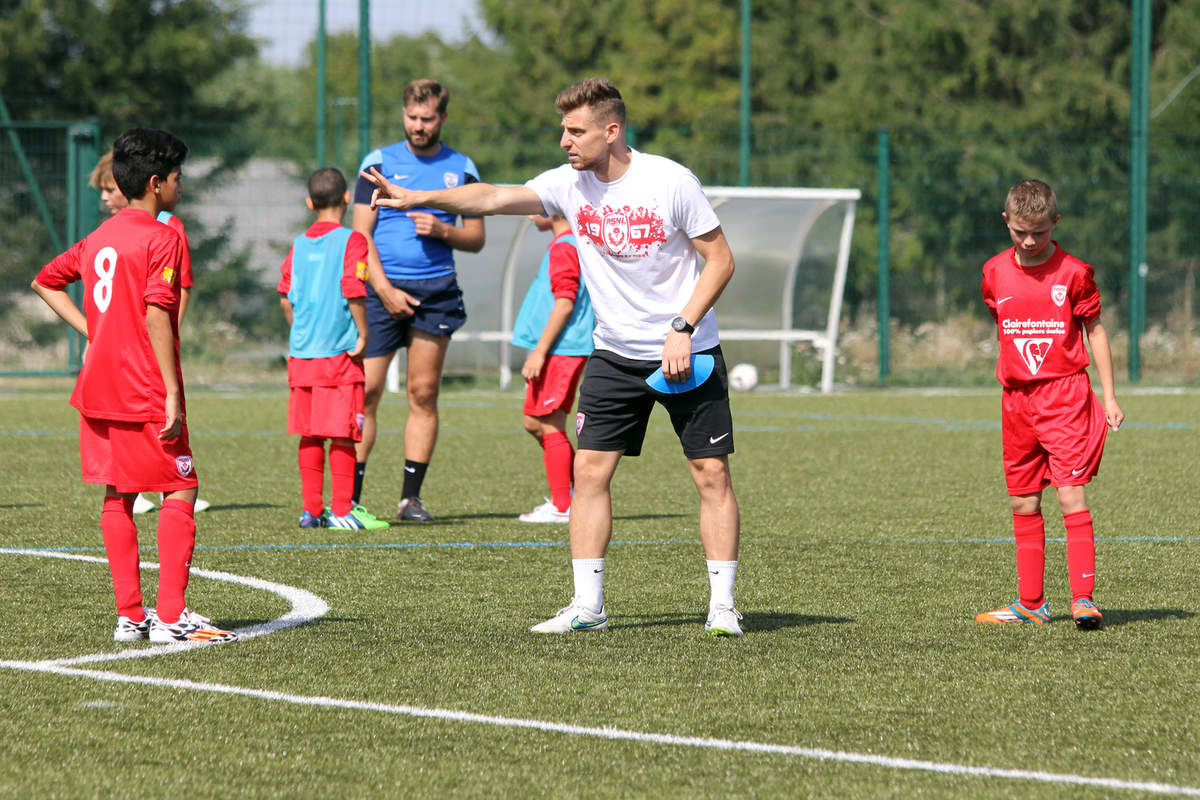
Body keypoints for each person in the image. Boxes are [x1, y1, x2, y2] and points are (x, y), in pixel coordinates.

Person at [362, 78, 744, 636]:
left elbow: (721, 261)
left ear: (611, 132)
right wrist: (420, 198)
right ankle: (588, 606)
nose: (564, 140)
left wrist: (682, 327)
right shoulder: (568, 183)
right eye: (563, 130)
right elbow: (491, 197)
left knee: (711, 474)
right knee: (588, 473)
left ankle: (723, 608)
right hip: (613, 354)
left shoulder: (670, 182)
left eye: (575, 130)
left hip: (685, 351)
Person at [32, 127, 236, 643]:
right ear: (155, 183)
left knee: (118, 493)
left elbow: (44, 280)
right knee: (181, 486)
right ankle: (171, 617)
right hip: (143, 386)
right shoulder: (163, 236)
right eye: (175, 177)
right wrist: (171, 390)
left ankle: (131, 616)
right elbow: (157, 316)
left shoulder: (99, 237)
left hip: (97, 384)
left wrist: (91, 332)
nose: (180, 186)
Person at [976, 178, 1124, 630]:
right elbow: (1002, 319)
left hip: (1065, 396)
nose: (1029, 240)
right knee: (1023, 502)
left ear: (1055, 223)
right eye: (1020, 231)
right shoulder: (994, 271)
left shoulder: (1075, 272)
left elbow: (1094, 330)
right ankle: (1032, 604)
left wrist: (1110, 395)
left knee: (1070, 494)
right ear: (1007, 222)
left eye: (1039, 231)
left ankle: (1083, 600)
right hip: (1016, 401)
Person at [351, 78, 486, 523]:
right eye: (412, 118)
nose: (419, 126)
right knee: (366, 392)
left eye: (427, 119)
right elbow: (360, 236)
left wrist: (444, 230)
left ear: (442, 118)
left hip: (436, 292)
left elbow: (476, 238)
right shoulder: (378, 162)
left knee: (422, 392)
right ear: (403, 115)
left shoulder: (462, 167)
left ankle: (410, 499)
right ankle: (349, 499)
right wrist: (384, 288)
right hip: (381, 290)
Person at [89, 150, 211, 516]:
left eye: (111, 188)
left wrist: (169, 338)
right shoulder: (108, 233)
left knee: (159, 428)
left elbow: (176, 292)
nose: (106, 197)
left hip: (142, 354)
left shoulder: (166, 228)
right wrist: (93, 334)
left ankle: (158, 486)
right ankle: (149, 487)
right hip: (121, 355)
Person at [277, 167, 375, 530]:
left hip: (302, 354)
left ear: (309, 203)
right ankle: (343, 510)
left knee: (310, 432)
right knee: (344, 433)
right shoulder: (353, 241)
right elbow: (353, 289)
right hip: (339, 354)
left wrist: (300, 330)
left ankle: (311, 510)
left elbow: (285, 297)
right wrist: (363, 334)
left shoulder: (299, 244)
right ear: (347, 199)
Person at [511, 214, 594, 523]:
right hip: (558, 348)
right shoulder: (567, 243)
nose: (529, 213)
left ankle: (563, 505)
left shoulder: (565, 246)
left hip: (562, 349)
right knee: (534, 422)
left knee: (548, 424)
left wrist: (540, 353)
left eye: (536, 204)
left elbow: (564, 303)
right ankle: (574, 495)